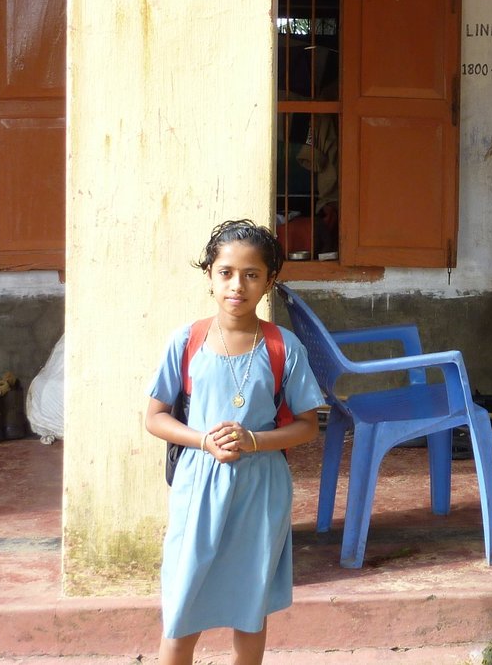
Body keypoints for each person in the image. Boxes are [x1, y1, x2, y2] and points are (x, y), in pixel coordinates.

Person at [144, 219, 324, 665]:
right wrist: (204, 440)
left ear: (269, 281)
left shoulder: (285, 347)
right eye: (225, 272)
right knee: (183, 607)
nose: (237, 285)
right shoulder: (187, 341)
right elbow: (154, 417)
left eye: (251, 274)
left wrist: (254, 440)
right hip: (198, 488)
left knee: (250, 610)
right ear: (209, 274)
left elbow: (307, 425)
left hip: (261, 490)